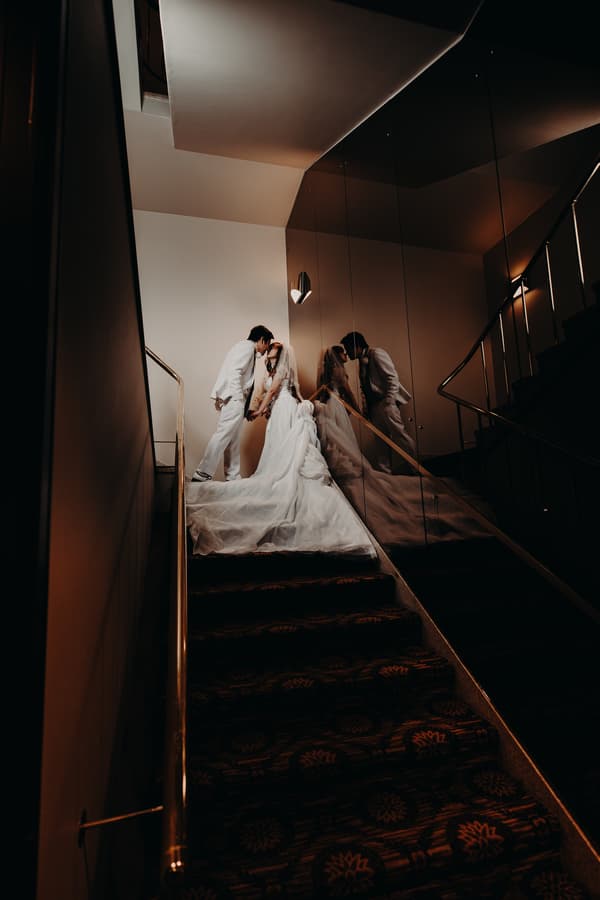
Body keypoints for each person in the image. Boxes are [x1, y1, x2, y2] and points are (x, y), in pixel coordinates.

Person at [186, 341, 377, 558]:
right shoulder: (274, 369)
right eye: (270, 351)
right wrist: (268, 407)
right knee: (276, 447)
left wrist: (259, 411)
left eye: (273, 351)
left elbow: (276, 390)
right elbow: (279, 393)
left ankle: (278, 475)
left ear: (281, 354)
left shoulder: (282, 370)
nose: (270, 354)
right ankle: (274, 470)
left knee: (282, 448)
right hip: (278, 409)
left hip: (284, 408)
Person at [313, 347, 494, 550]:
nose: (348, 355)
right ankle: (391, 469)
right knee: (365, 444)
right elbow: (347, 390)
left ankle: (413, 464)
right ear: (338, 358)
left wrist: (385, 402)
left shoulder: (372, 356)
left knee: (394, 438)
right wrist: (358, 410)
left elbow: (390, 379)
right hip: (343, 406)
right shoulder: (341, 372)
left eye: (348, 351)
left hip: (347, 406)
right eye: (344, 354)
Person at [191, 324, 273, 483]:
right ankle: (202, 473)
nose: (266, 350)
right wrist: (238, 399)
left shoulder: (244, 348)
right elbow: (235, 372)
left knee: (233, 440)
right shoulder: (247, 348)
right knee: (223, 435)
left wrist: (243, 406)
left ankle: (232, 477)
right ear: (262, 340)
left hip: (236, 401)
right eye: (267, 344)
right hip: (234, 400)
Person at [340, 331, 416, 473]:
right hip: (374, 408)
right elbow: (365, 388)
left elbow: (392, 378)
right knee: (380, 443)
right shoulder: (361, 362)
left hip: (385, 404)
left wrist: (389, 402)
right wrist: (367, 408)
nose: (347, 353)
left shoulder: (376, 353)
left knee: (400, 437)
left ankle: (415, 468)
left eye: (348, 348)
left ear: (356, 346)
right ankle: (385, 474)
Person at [316, 344, 360, 412]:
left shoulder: (329, 370)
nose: (346, 354)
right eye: (342, 352)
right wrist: (357, 408)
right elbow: (348, 392)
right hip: (336, 403)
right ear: (337, 355)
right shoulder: (339, 370)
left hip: (328, 402)